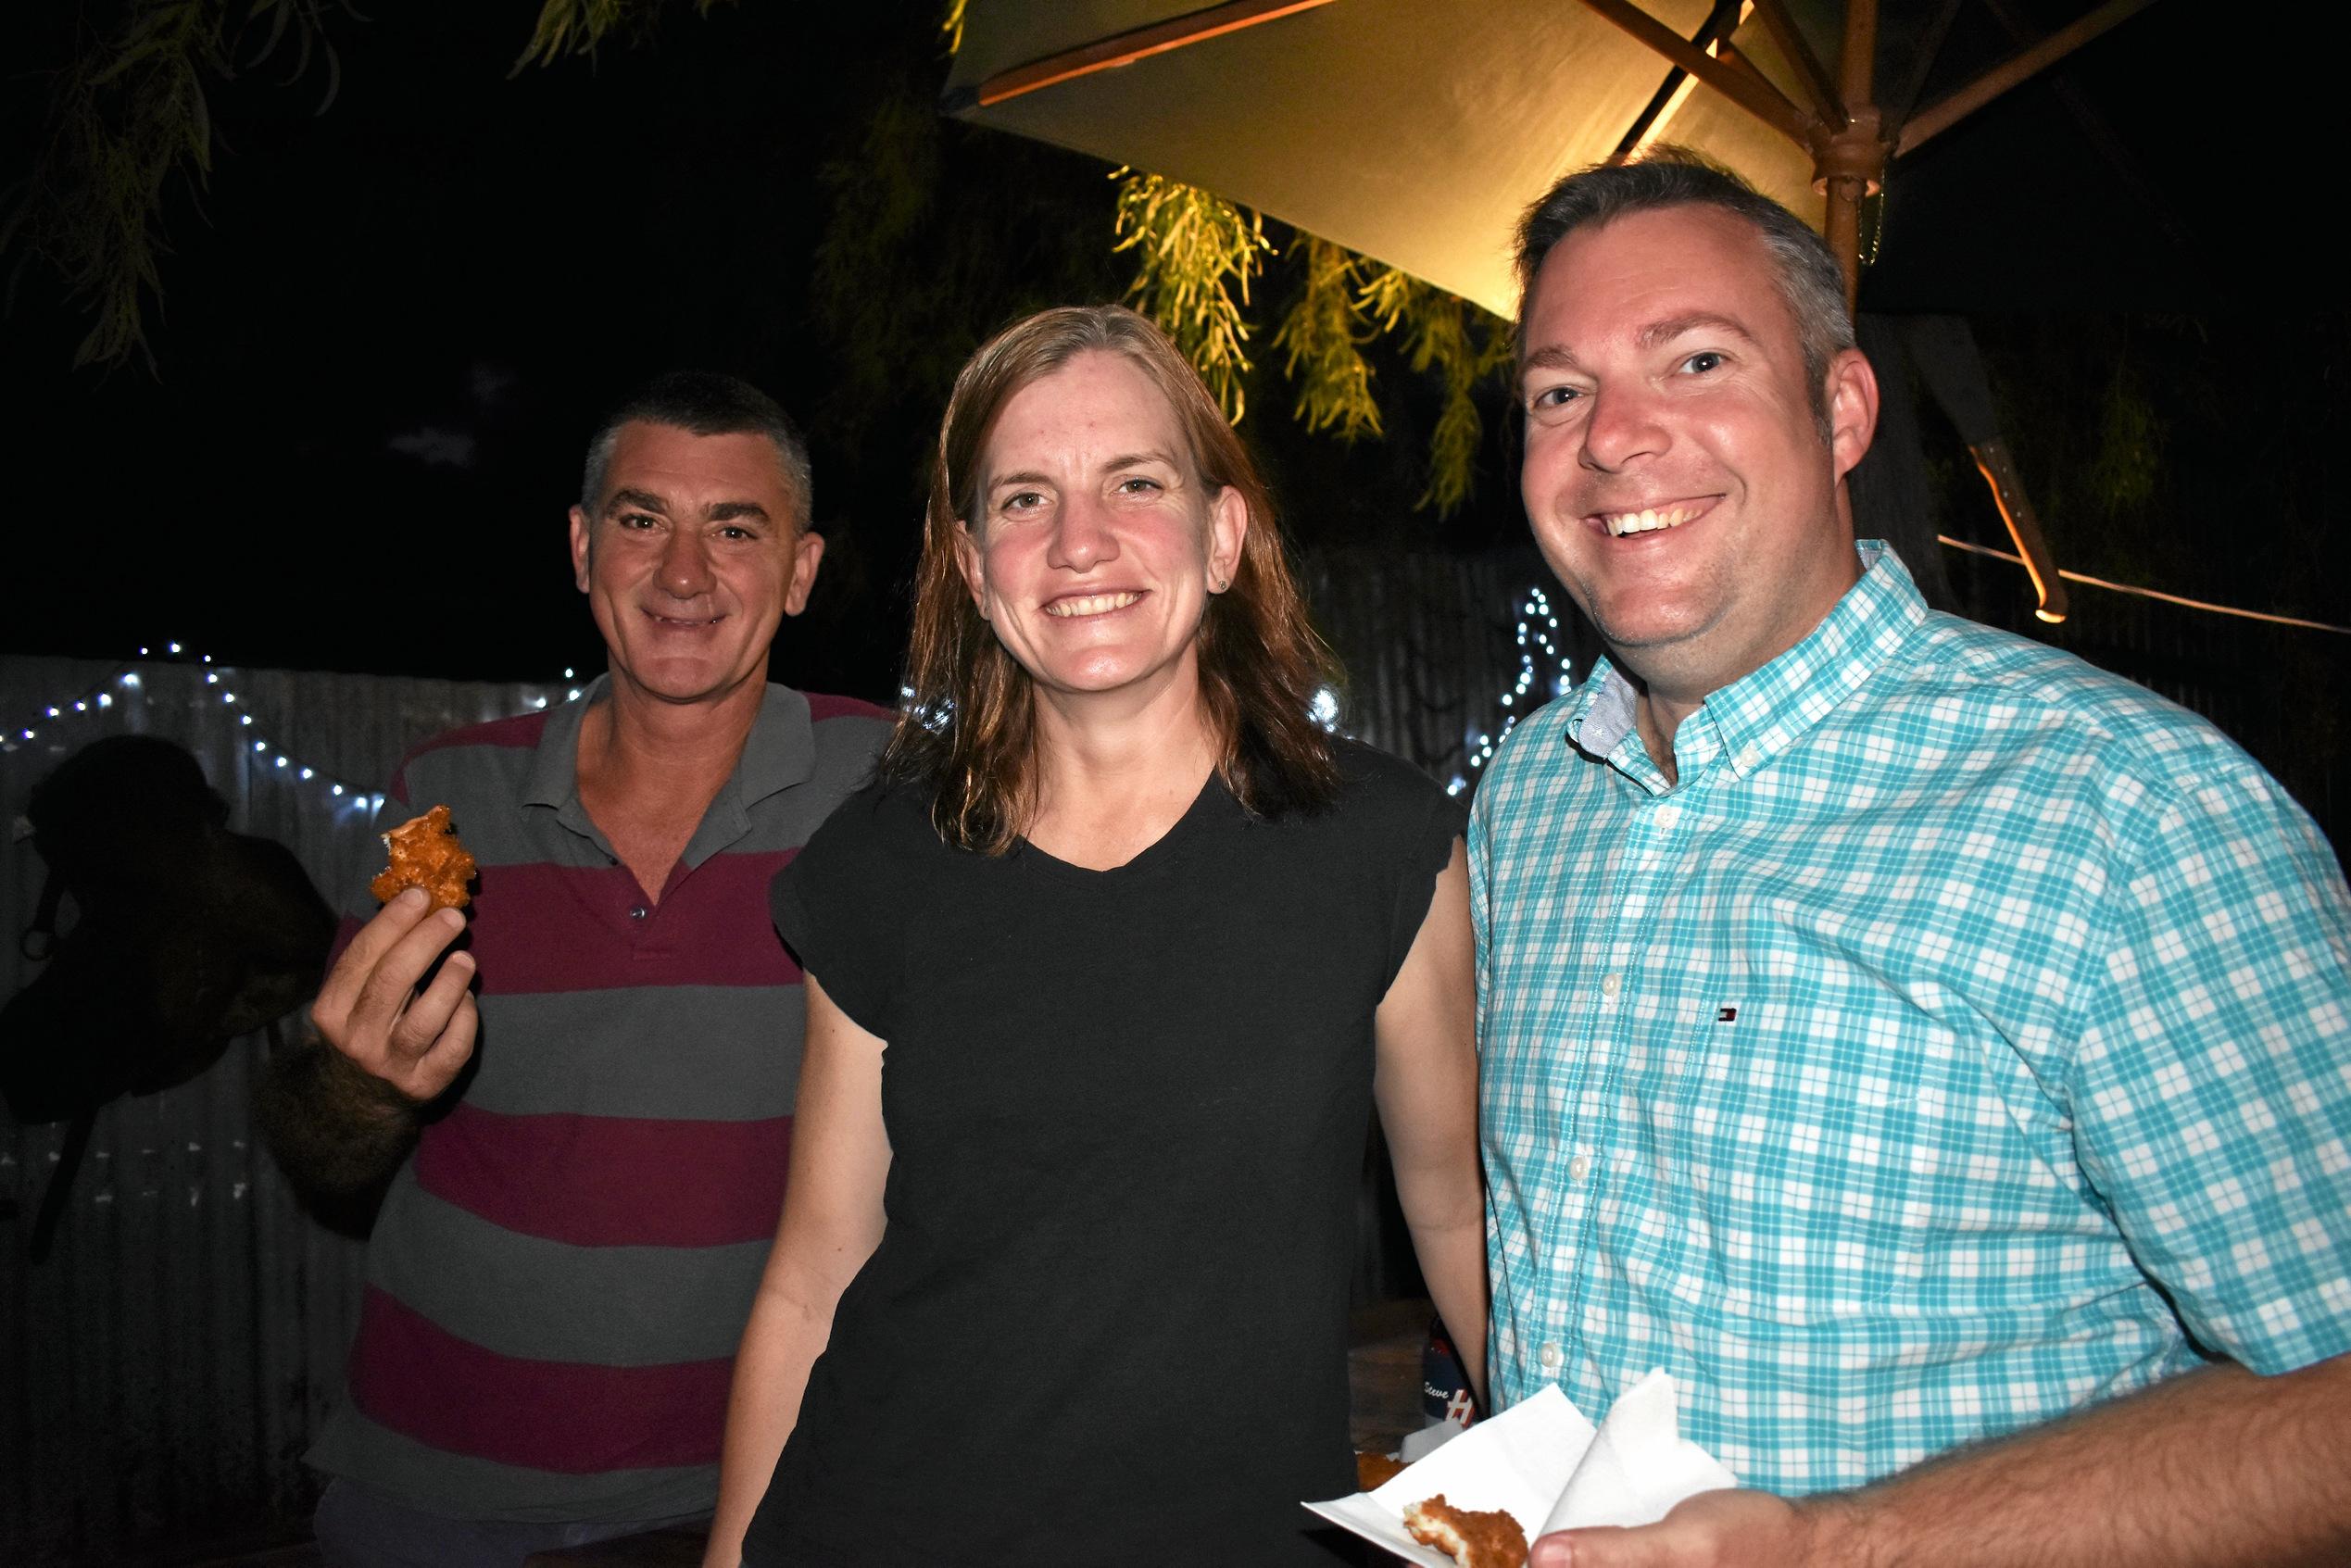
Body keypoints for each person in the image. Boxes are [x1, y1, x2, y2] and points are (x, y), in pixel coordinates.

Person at [1472, 149, 2351, 1568]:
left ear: (1838, 409)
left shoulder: (2127, 816)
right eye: (1558, 391)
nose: (1613, 437)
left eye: (1694, 360)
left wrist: (1845, 1543)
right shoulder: (1530, 801)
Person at [700, 305, 1486, 1568]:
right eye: (1022, 498)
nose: (1079, 540)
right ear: (970, 564)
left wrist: (1578, 1479)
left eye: (1134, 481)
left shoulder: (1381, 846)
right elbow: (816, 1265)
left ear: (1221, 534)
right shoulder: (879, 863)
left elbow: (1450, 1206)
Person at [258, 372, 892, 1567]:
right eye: (644, 519)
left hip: (779, 1489)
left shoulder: (892, 793)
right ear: (582, 545)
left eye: (737, 529)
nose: (685, 573)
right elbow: (320, 1156)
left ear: (801, 572)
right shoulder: (452, 799)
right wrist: (362, 1080)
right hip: (441, 1496)